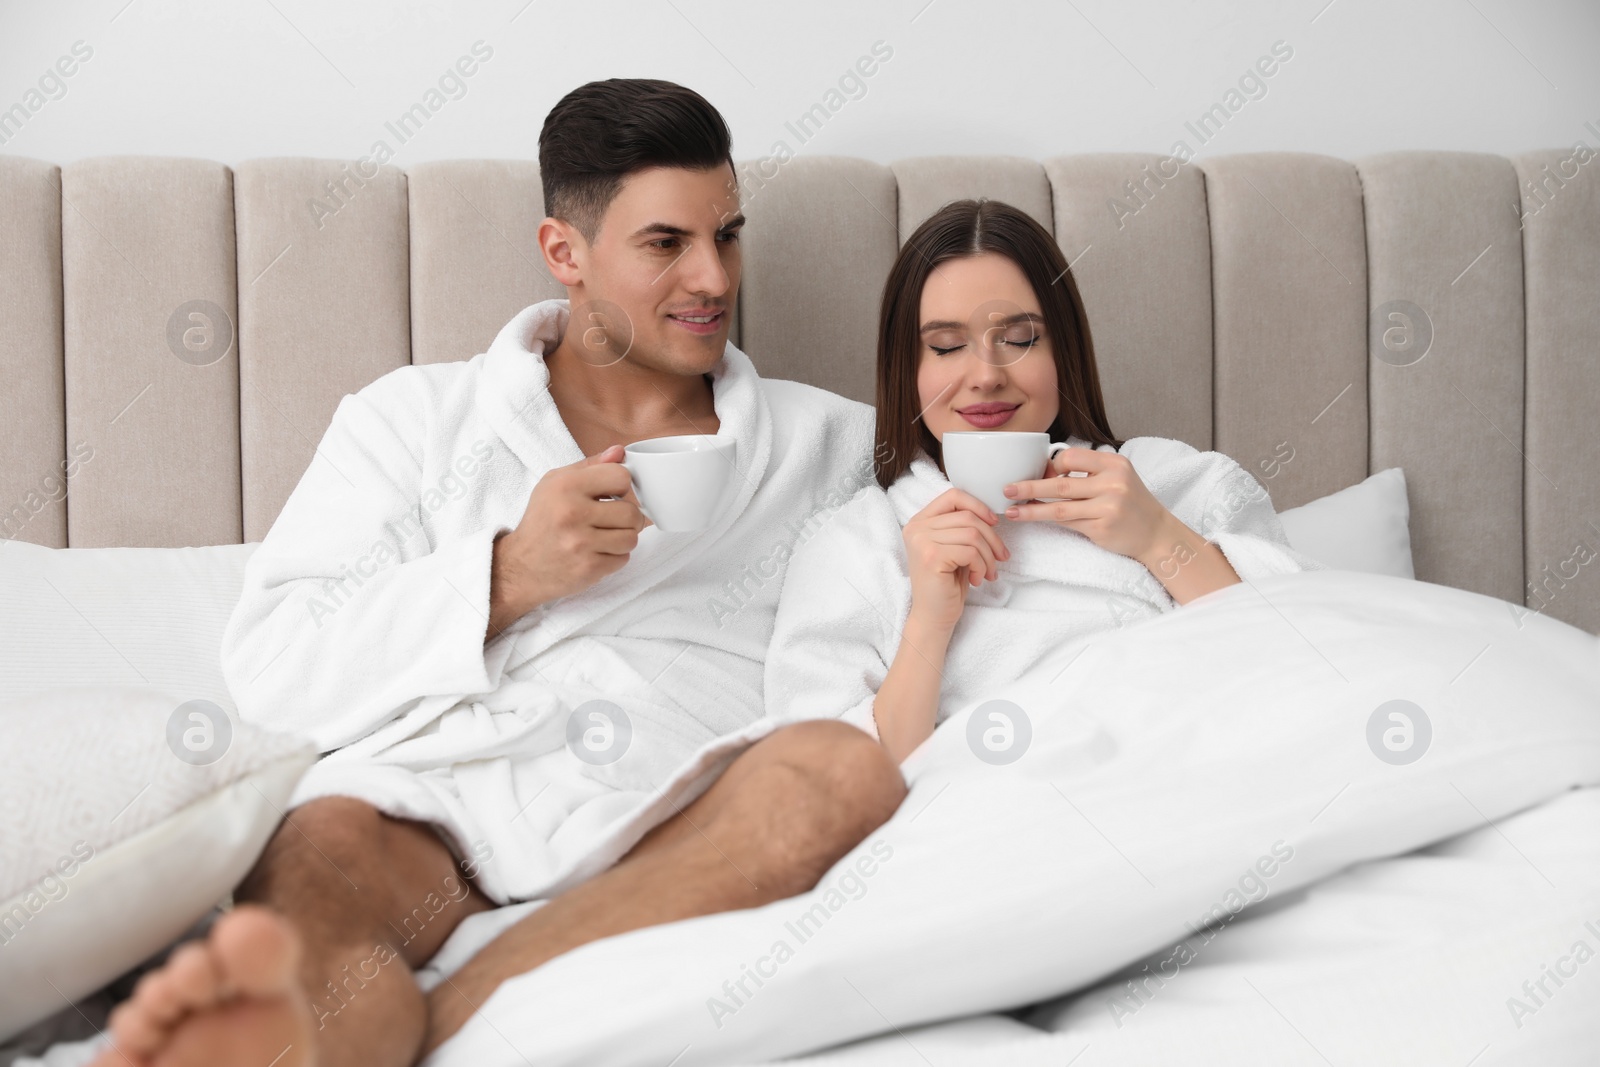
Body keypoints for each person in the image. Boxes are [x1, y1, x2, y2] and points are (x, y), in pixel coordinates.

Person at [89, 79, 906, 1067]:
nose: (713, 277)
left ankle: (471, 996)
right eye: (666, 243)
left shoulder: (826, 445)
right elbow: (273, 670)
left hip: (671, 820)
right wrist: (504, 574)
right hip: (433, 810)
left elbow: (1055, 492)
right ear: (564, 251)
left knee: (836, 771)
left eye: (726, 235)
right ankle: (323, 1026)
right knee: (314, 845)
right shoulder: (413, 422)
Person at [764, 198, 1326, 765]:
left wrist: (1159, 539)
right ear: (907, 370)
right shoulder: (857, 546)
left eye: (1020, 338)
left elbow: (1313, 665)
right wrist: (929, 625)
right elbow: (823, 785)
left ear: (1064, 351)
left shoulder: (1176, 485)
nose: (985, 375)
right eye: (946, 345)